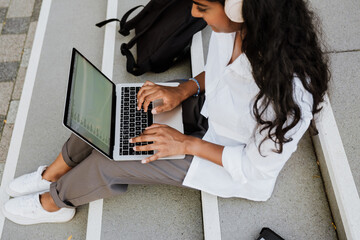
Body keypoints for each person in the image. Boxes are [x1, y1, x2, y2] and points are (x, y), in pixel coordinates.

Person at [3, 0, 329, 225]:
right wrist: (184, 89)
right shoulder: (237, 30)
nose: (192, 12)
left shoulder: (292, 93)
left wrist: (184, 145)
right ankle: (54, 172)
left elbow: (254, 169)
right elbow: (221, 75)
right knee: (120, 105)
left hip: (230, 160)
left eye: (202, 7)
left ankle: (55, 204)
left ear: (241, 10)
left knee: (113, 159)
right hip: (211, 113)